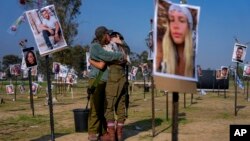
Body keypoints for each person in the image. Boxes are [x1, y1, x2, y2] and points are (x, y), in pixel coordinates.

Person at [87, 26, 126, 141]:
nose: (110, 36)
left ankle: (104, 132)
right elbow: (106, 58)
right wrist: (119, 56)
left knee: (105, 108)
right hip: (97, 80)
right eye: (108, 34)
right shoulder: (95, 47)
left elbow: (105, 61)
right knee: (95, 108)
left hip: (107, 81)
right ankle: (93, 133)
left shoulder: (107, 47)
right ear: (103, 35)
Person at [160, 4, 195, 77]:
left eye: (181, 21)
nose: (175, 26)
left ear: (188, 27)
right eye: (172, 20)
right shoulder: (163, 62)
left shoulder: (193, 61)